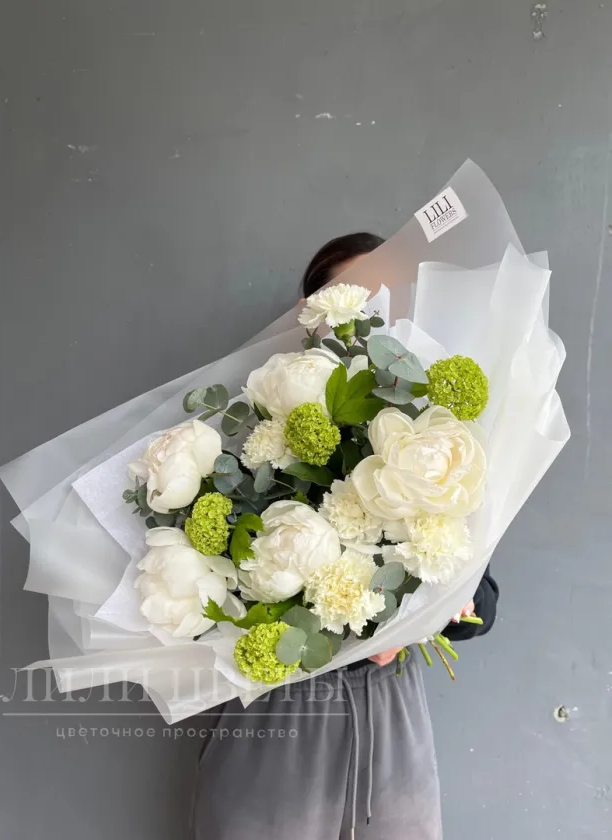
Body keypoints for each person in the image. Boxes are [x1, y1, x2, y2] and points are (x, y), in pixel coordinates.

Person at [189, 232, 499, 840]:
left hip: (390, 716)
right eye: (350, 298)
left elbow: (481, 604)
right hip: (281, 715)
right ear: (310, 316)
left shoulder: (433, 445)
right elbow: (221, 593)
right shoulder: (255, 439)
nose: (364, 317)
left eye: (382, 298)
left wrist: (425, 616)